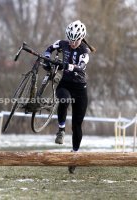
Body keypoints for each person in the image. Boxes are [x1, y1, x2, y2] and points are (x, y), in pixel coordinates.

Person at [43, 20, 95, 173]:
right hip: (65, 84)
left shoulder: (85, 51)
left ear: (81, 38)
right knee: (64, 100)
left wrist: (68, 66)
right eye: (71, 39)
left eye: (76, 40)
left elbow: (81, 67)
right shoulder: (62, 43)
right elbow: (49, 49)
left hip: (80, 88)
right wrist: (47, 59)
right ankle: (60, 130)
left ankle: (74, 155)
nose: (72, 43)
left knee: (77, 125)